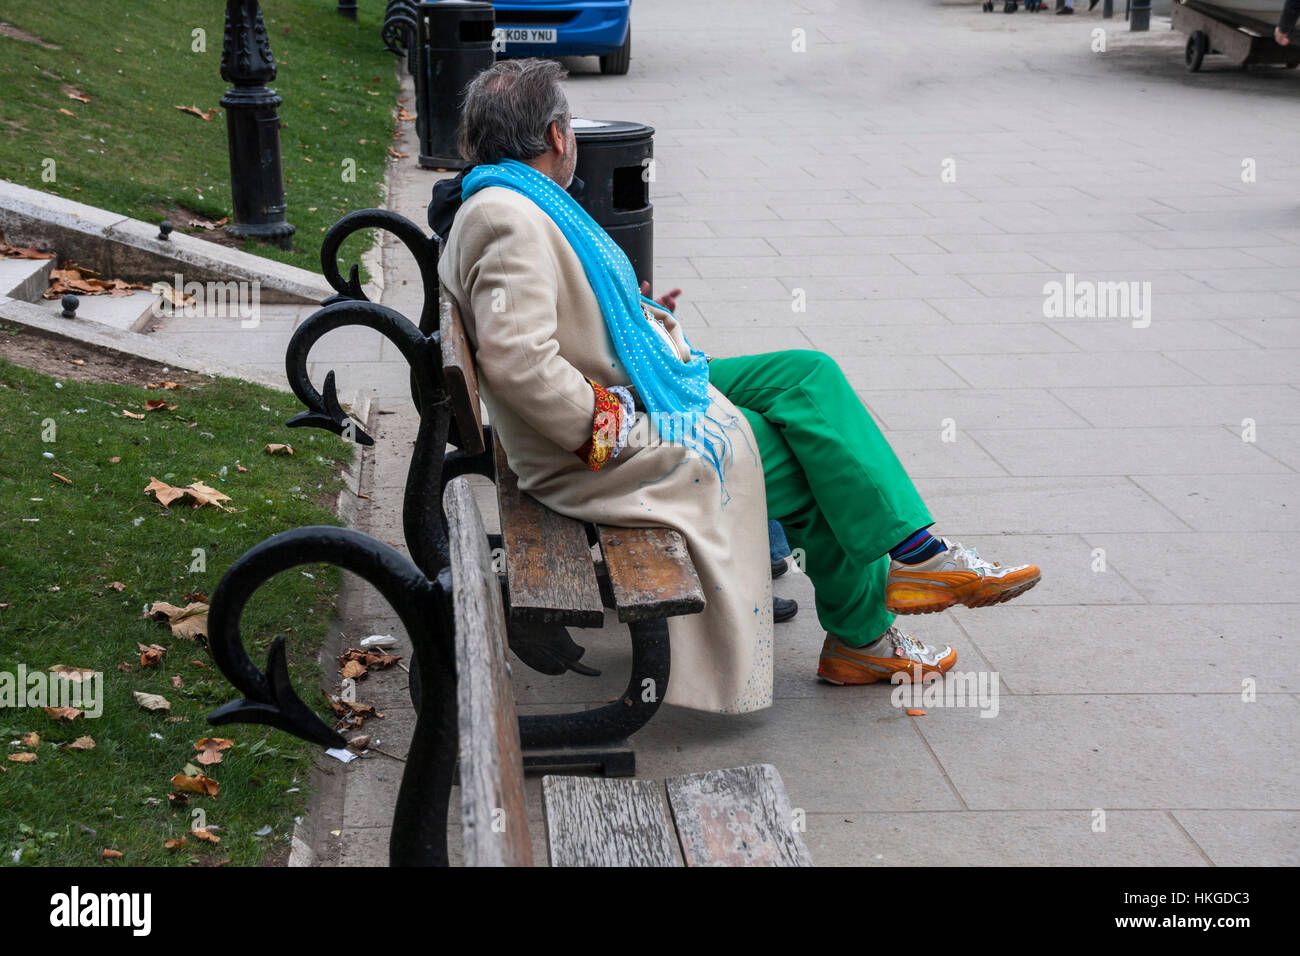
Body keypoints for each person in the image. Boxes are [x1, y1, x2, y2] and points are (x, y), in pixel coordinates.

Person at [433, 59, 1040, 713]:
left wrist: (664, 356)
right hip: (593, 448)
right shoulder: (509, 220)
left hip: (640, 381)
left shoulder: (509, 199)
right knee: (819, 464)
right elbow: (521, 365)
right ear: (557, 136)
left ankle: (914, 561)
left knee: (809, 375)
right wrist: (621, 424)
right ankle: (872, 625)